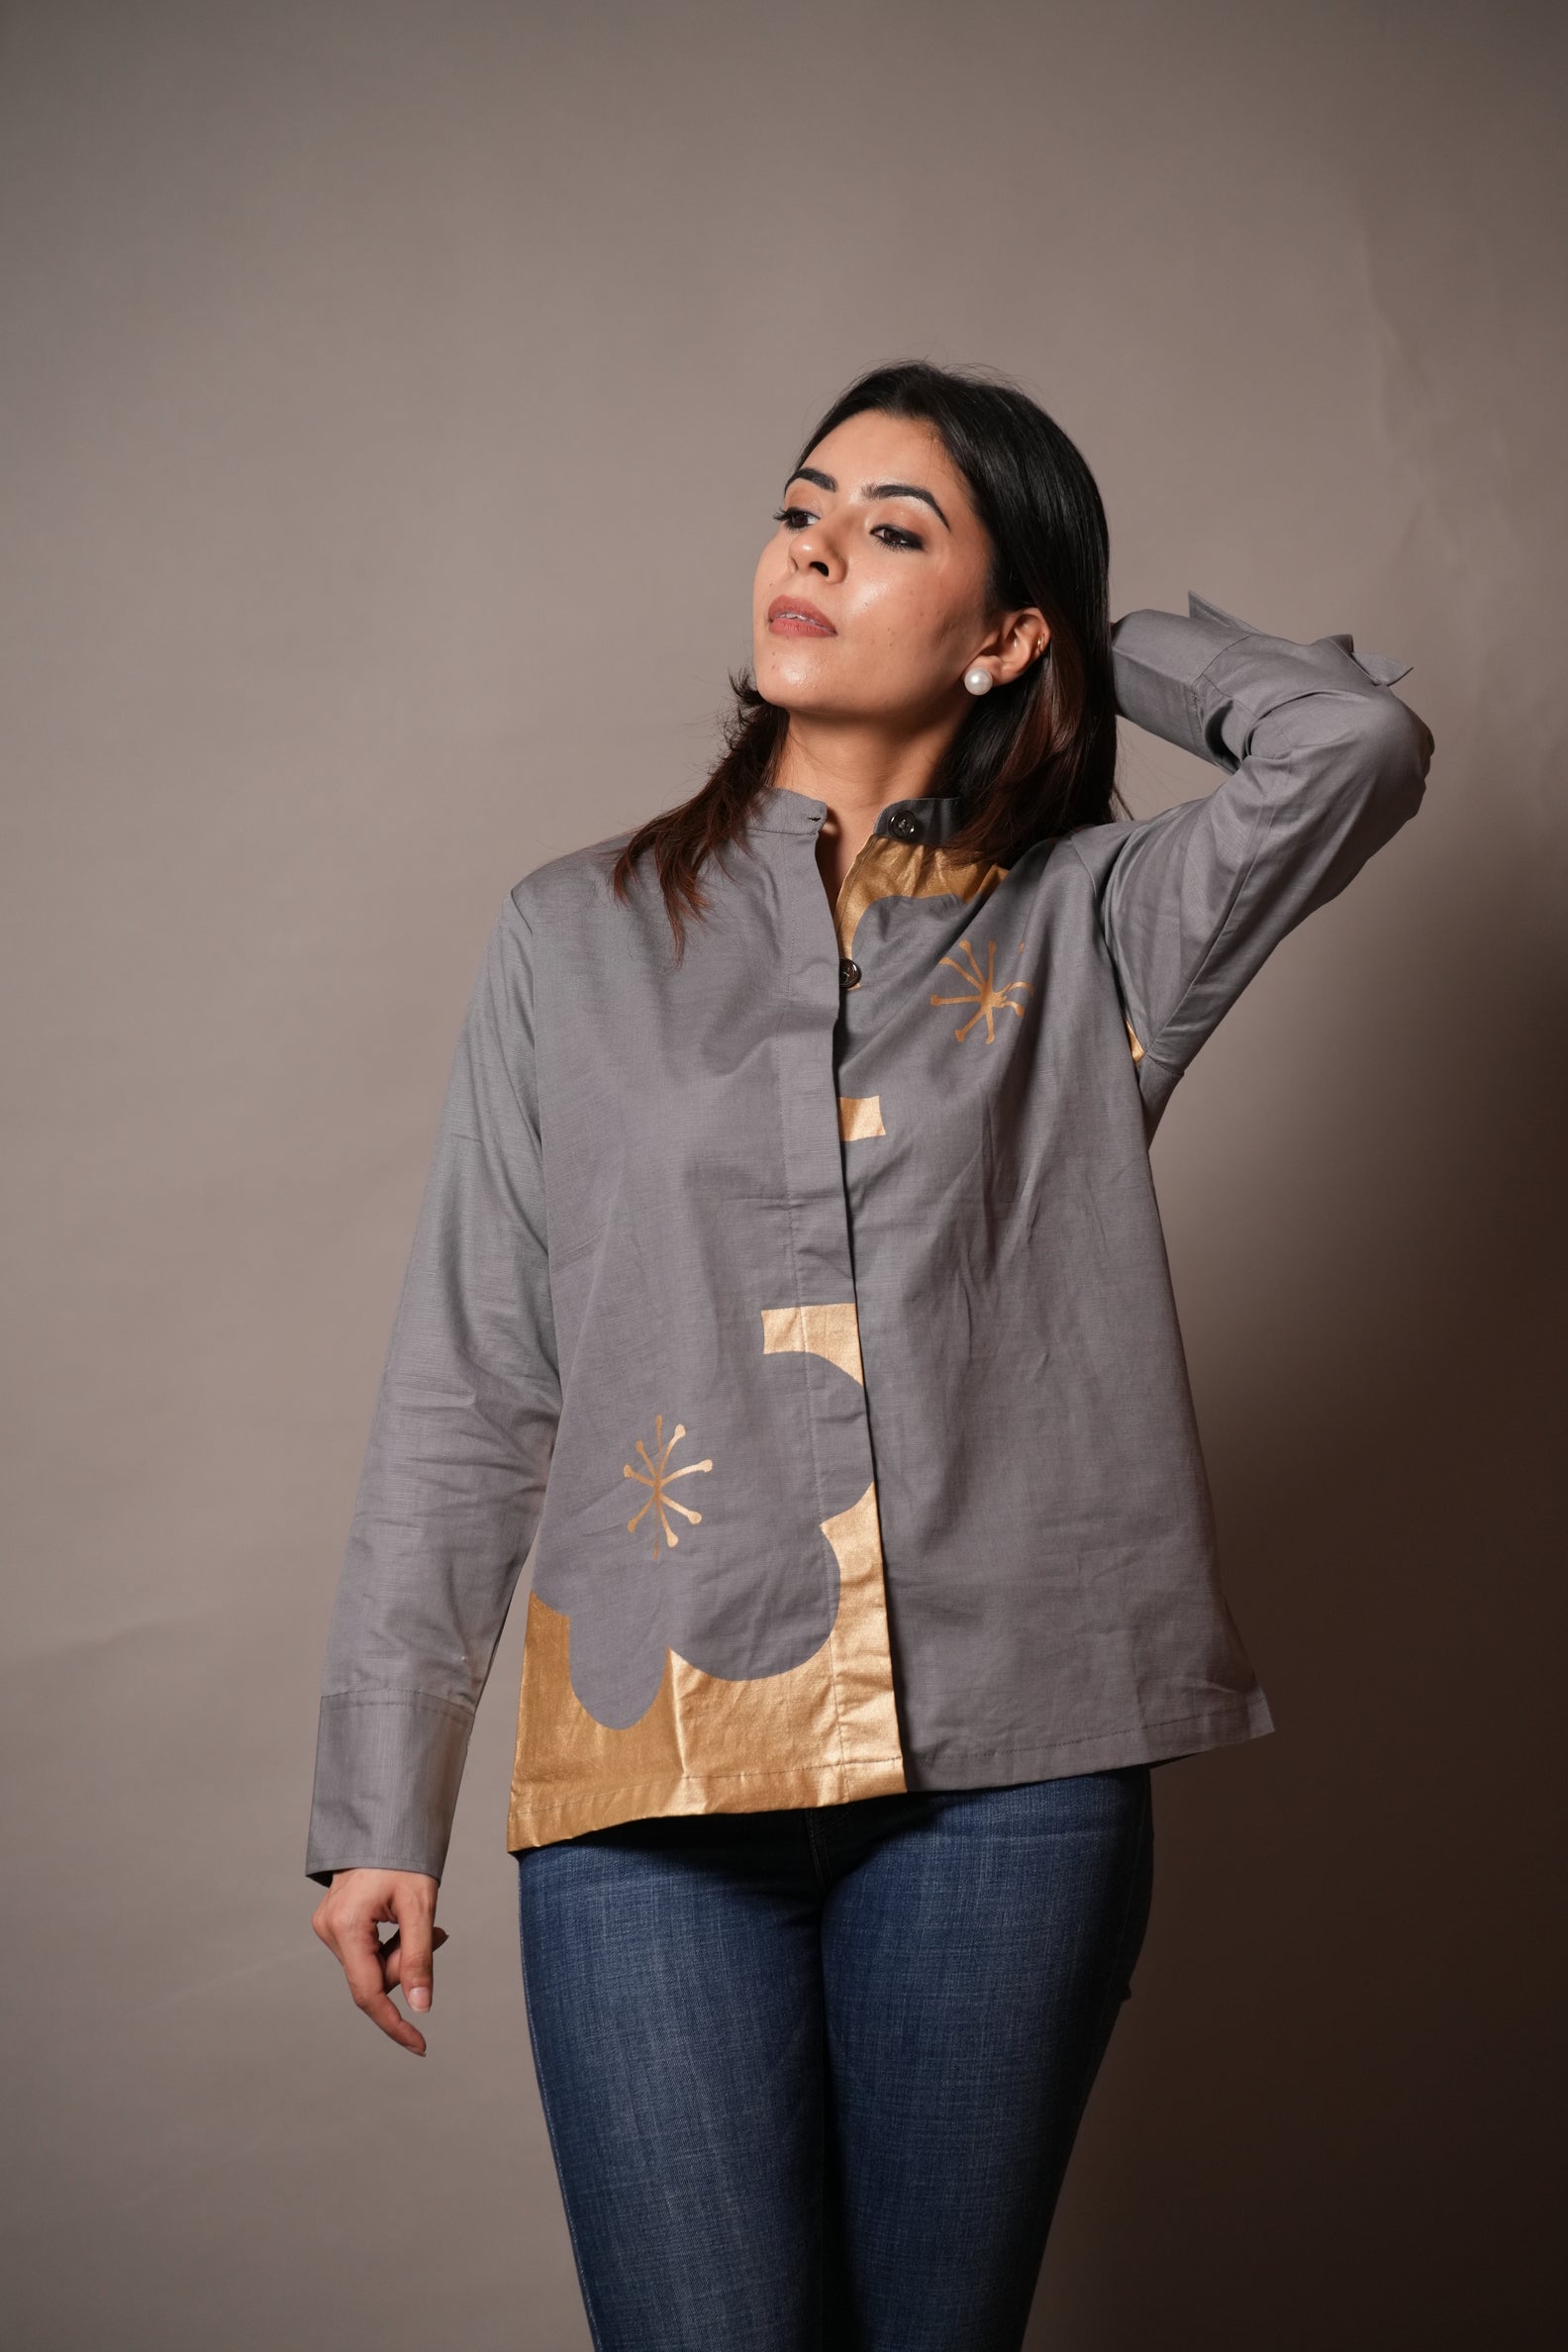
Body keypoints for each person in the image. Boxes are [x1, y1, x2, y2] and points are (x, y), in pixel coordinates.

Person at [305, 360, 1433, 2350]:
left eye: (894, 529)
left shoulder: (1098, 926)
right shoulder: (573, 936)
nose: (816, 547)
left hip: (1010, 1774)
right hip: (651, 1772)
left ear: (1005, 633)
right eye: (803, 507)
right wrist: (381, 1799)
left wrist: (1096, 644)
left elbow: (1353, 744)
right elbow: (474, 1377)